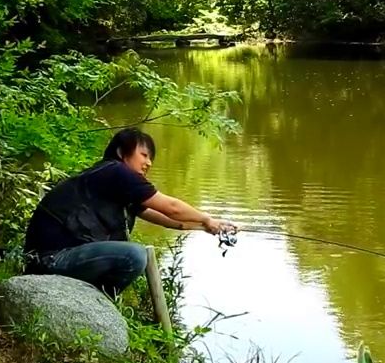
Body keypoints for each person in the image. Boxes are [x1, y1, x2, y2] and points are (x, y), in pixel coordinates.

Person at [22, 127, 238, 296]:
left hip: (55, 258)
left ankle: (95, 301)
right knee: (134, 255)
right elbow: (171, 208)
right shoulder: (116, 172)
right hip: (50, 260)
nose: (149, 163)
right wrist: (207, 218)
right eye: (144, 154)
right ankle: (100, 301)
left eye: (150, 157)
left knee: (133, 253)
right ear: (121, 152)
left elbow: (170, 221)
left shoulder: (112, 182)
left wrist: (210, 227)